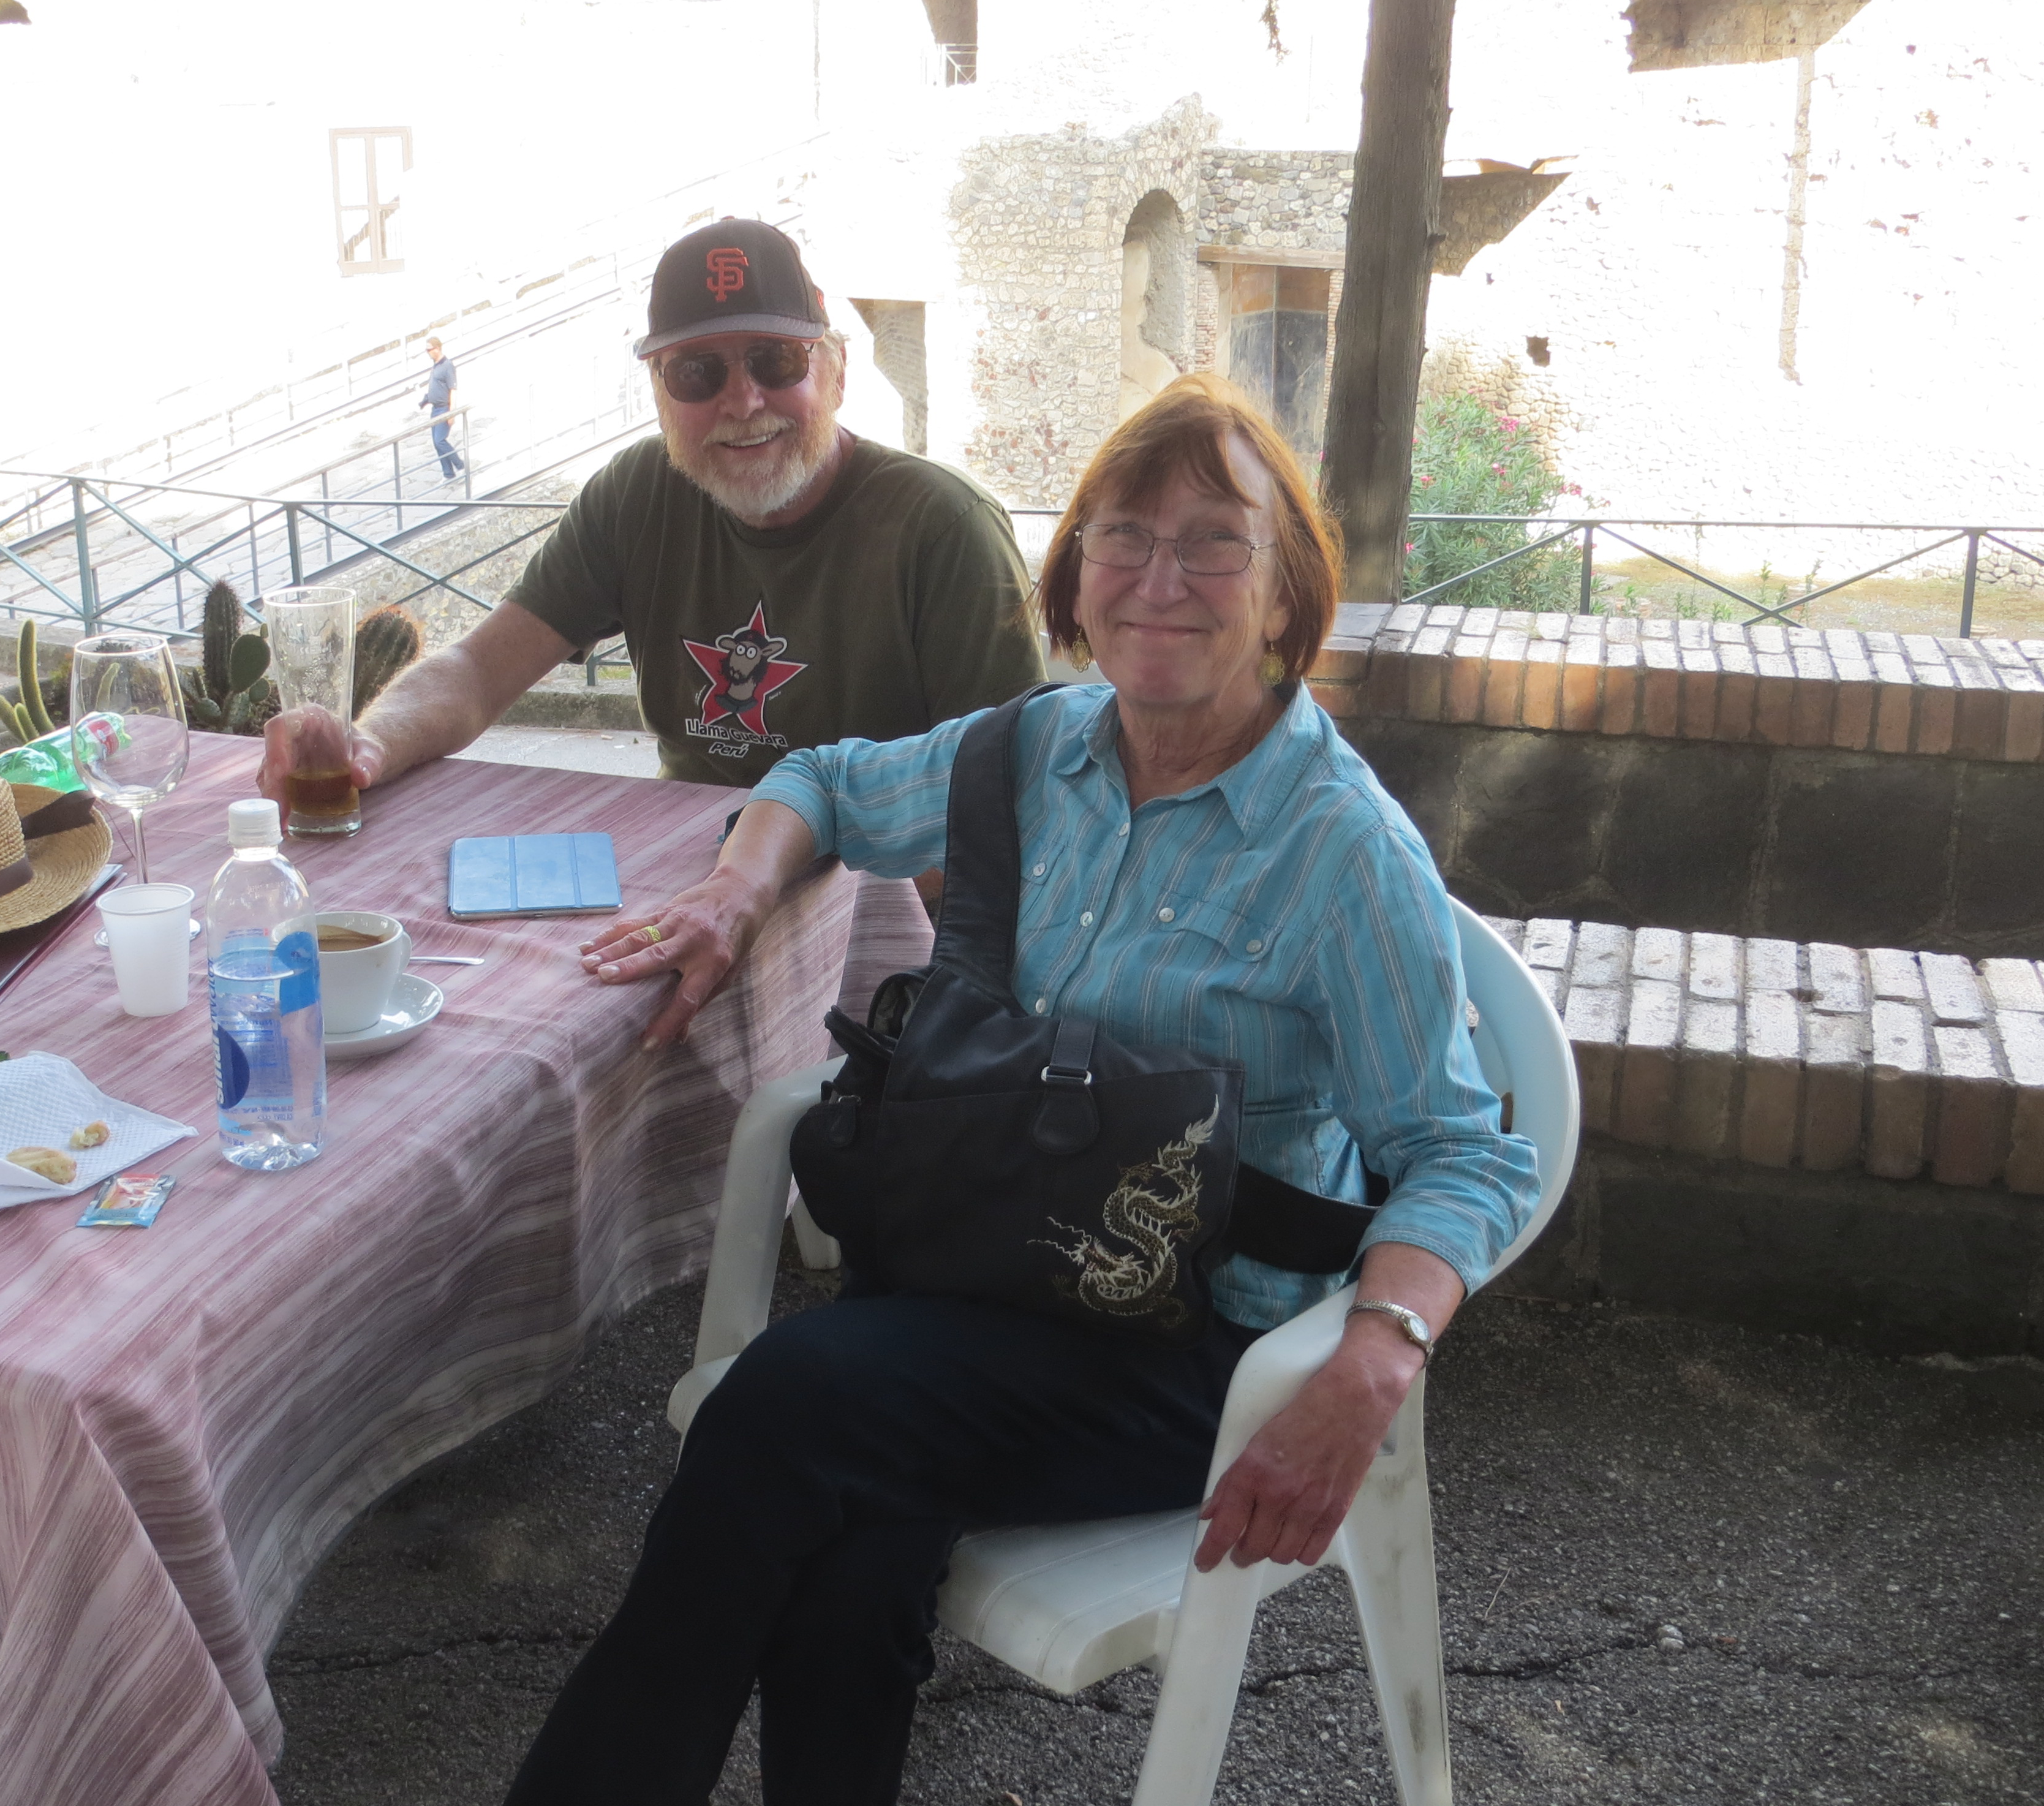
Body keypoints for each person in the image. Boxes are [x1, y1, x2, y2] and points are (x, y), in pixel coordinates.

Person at [502, 371, 1545, 1805]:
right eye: (1122, 537)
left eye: (1213, 543)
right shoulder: (1032, 753)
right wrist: (733, 895)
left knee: (788, 1401)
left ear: (1285, 597)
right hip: (986, 1266)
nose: (1158, 580)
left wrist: (1369, 1364)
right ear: (1073, 576)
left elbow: (1461, 1152)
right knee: (850, 1542)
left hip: (1193, 1343)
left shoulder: (1338, 849)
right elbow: (820, 778)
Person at [256, 218, 1044, 804]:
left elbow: (1000, 798)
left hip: (872, 892)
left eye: (776, 360)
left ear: (836, 372)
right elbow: (477, 672)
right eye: (697, 372)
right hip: (678, 875)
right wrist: (369, 745)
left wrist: (787, 885)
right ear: (660, 397)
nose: (743, 400)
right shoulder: (639, 492)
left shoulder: (945, 528)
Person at [424, 336, 463, 482]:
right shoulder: (435, 366)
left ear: (438, 348)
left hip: (444, 409)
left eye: (429, 350)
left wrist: (452, 413)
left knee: (440, 440)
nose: (428, 353)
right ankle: (448, 473)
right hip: (435, 409)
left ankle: (460, 466)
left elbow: (453, 389)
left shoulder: (447, 365)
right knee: (436, 443)